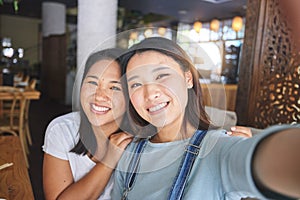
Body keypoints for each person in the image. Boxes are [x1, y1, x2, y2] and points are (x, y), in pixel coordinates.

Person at [111, 37, 300, 199]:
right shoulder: (130, 154)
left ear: (188, 79)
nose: (150, 93)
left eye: (161, 75)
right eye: (135, 84)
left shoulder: (218, 149)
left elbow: (283, 163)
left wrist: (265, 148)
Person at [42, 48, 133, 200]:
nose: (99, 95)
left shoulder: (143, 142)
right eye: (92, 82)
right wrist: (108, 161)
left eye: (114, 87)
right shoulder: (62, 129)